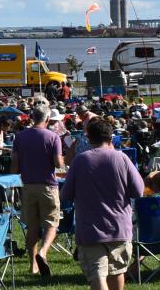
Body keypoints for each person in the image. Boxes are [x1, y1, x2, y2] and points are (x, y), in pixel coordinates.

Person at [62, 117, 144, 290]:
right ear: (111, 137)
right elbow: (138, 191)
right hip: (119, 227)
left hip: (90, 229)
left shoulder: (80, 161)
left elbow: (66, 194)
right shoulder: (122, 159)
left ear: (89, 138)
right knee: (117, 272)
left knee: (97, 275)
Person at [12, 104, 63, 279]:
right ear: (47, 119)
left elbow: (15, 165)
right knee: (52, 223)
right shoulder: (53, 136)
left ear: (32, 117)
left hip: (27, 185)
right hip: (48, 185)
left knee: (32, 226)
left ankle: (33, 265)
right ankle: (43, 251)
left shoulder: (19, 137)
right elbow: (58, 164)